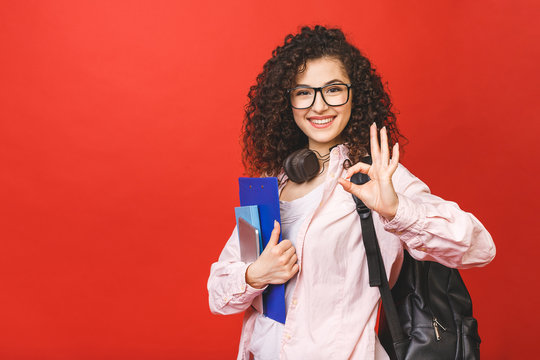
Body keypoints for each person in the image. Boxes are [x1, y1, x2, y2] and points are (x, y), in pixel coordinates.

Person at [207, 25, 495, 360]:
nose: (319, 106)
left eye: (333, 89)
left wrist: (396, 210)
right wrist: (255, 274)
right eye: (303, 92)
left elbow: (478, 247)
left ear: (353, 95)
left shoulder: (375, 177)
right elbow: (218, 294)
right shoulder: (269, 185)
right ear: (287, 102)